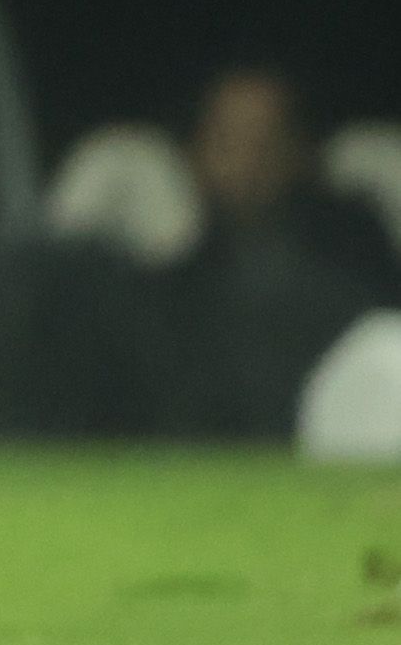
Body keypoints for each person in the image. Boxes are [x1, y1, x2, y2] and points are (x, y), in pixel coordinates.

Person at [159, 63, 401, 437]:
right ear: (194, 154)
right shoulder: (161, 306)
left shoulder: (352, 300)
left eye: (265, 144)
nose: (248, 164)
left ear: (303, 154)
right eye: (228, 143)